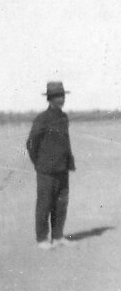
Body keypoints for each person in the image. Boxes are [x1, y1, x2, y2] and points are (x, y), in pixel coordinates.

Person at [26, 82, 77, 250]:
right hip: (46, 170)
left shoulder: (63, 117)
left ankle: (58, 237)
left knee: (61, 203)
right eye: (57, 96)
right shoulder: (42, 118)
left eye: (62, 96)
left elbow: (65, 142)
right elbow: (31, 143)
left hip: (62, 168)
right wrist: (39, 164)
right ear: (50, 98)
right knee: (45, 204)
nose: (61, 99)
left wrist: (68, 161)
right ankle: (42, 239)